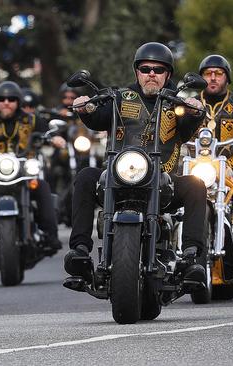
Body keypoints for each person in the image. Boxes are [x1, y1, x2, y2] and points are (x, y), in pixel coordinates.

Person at [64, 42, 207, 285]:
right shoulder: (119, 98)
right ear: (137, 72)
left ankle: (192, 256)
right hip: (118, 177)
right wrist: (86, 107)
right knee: (86, 176)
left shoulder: (177, 104)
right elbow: (97, 118)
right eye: (146, 68)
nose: (152, 73)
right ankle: (79, 250)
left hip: (163, 181)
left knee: (196, 184)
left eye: (158, 70)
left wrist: (196, 111)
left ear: (168, 75)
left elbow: (188, 127)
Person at [0, 81, 66, 254]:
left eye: (11, 99)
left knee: (42, 187)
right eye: (2, 99)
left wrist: (54, 138)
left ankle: (50, 235)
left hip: (23, 172)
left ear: (17, 101)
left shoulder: (32, 120)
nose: (6, 102)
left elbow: (48, 132)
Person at [198, 54, 233, 236]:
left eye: (219, 73)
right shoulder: (192, 103)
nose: (213, 77)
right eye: (208, 73)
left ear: (227, 78)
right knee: (168, 184)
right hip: (198, 165)